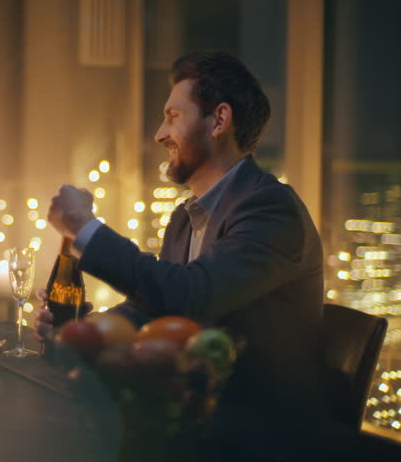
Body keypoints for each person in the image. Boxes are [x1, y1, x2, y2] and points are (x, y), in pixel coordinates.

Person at [36, 50, 326, 455]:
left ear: (219, 121)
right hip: (187, 419)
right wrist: (83, 329)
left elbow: (190, 296)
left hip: (257, 437)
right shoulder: (185, 218)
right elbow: (153, 311)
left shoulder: (272, 210)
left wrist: (85, 228)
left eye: (173, 116)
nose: (159, 134)